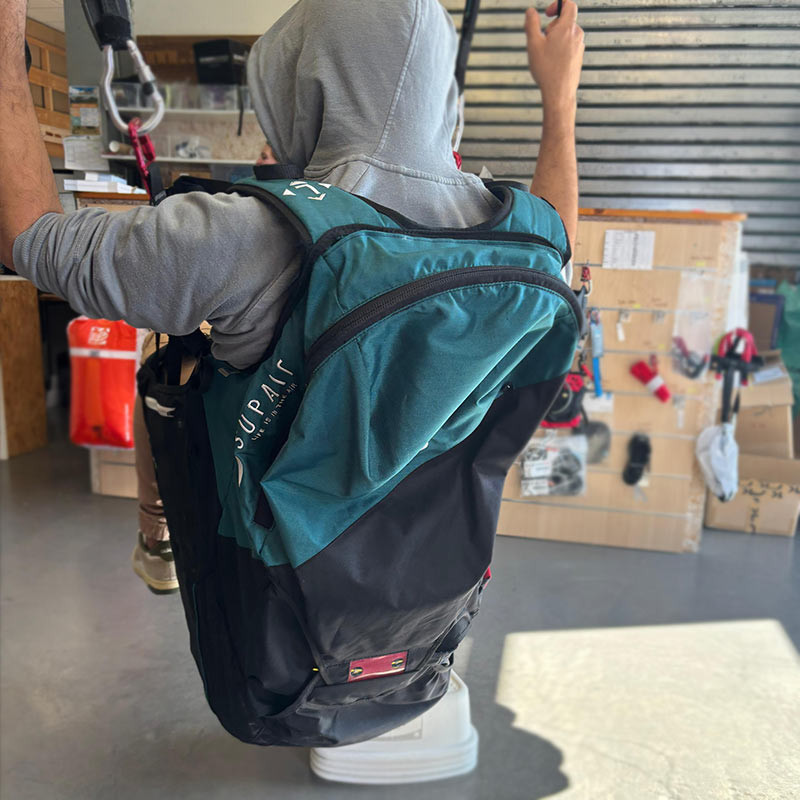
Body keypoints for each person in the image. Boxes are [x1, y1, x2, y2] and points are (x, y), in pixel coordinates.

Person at [0, 0, 584, 497]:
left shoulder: (247, 235)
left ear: (295, 87)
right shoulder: (521, 241)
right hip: (440, 571)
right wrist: (558, 100)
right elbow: (560, 233)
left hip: (283, 586)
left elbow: (28, 237)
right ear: (442, 90)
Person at [132, 141, 280, 595]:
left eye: (269, 149)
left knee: (163, 359)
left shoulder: (231, 213)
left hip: (217, 352)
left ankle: (159, 538)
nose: (261, 156)